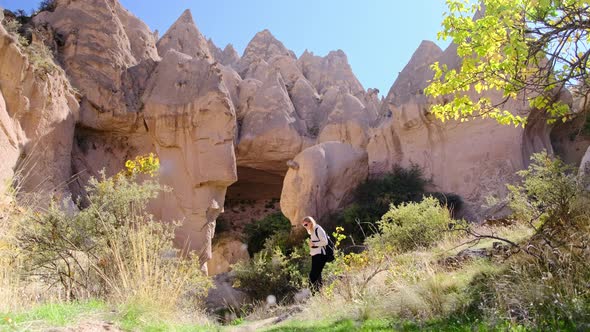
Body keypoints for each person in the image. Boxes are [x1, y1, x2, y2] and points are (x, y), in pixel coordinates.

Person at [301, 216, 328, 293]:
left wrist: (313, 244)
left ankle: (316, 293)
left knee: (314, 275)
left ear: (310, 223)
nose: (305, 227)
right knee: (316, 275)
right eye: (304, 226)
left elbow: (325, 242)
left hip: (320, 254)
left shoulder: (318, 228)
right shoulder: (312, 231)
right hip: (316, 255)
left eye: (306, 225)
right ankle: (318, 293)